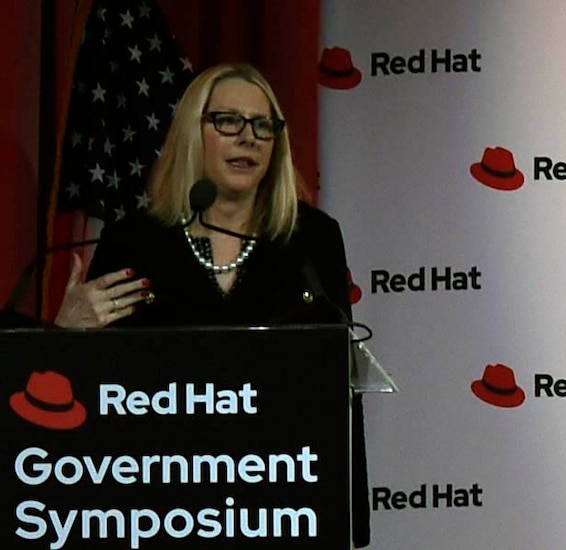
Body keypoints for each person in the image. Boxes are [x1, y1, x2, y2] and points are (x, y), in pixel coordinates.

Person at [53, 62, 371, 547]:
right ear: (192, 134)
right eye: (228, 121)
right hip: (157, 512)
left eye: (264, 125)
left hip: (279, 510)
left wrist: (345, 517)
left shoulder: (311, 239)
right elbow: (90, 399)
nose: (249, 138)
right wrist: (64, 338)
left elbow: (338, 390)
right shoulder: (135, 243)